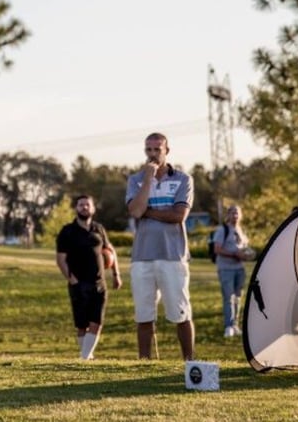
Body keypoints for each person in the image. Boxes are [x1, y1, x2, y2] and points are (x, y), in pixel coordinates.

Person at [126, 132, 195, 360]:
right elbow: (136, 211)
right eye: (149, 149)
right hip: (142, 257)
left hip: (172, 256)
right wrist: (148, 179)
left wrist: (149, 212)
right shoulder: (136, 180)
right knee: (144, 315)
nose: (153, 154)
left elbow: (178, 215)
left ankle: (189, 362)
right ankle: (144, 362)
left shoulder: (183, 179)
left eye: (157, 149)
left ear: (167, 151)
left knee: (181, 312)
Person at [55, 195, 122, 360]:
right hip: (78, 284)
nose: (84, 207)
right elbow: (61, 259)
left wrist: (116, 274)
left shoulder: (99, 229)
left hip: (99, 283)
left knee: (97, 322)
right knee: (82, 325)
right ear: (76, 208)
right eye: (81, 205)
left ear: (93, 209)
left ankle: (84, 357)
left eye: (87, 205)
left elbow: (110, 251)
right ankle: (86, 356)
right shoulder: (67, 231)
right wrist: (72, 280)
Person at [213, 204, 248, 337]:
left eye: (237, 213)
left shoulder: (240, 230)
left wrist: (247, 254)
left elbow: (242, 248)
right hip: (226, 269)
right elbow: (217, 249)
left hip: (239, 268)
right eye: (233, 213)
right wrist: (234, 254)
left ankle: (235, 325)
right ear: (228, 215)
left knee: (238, 298)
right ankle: (228, 326)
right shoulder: (223, 230)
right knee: (228, 297)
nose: (235, 216)